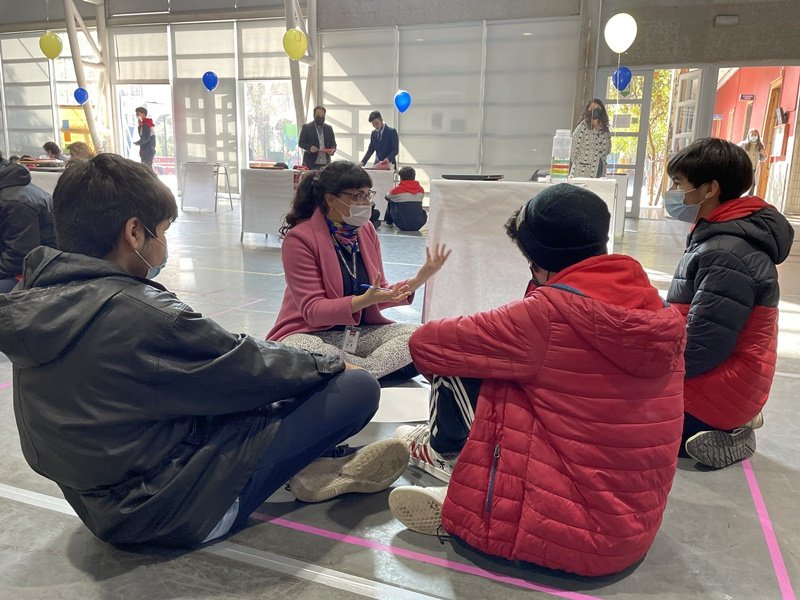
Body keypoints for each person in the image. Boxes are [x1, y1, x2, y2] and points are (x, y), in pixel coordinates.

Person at [0, 153, 411, 549]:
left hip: (101, 505)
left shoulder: (36, 298)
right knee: (354, 387)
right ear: (134, 233)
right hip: (177, 510)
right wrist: (332, 363)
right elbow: (250, 364)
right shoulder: (141, 313)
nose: (164, 243)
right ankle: (305, 467)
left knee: (269, 385)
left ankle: (311, 466)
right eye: (162, 231)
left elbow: (216, 366)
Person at [388, 183, 687, 577]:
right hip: (632, 529)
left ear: (537, 259)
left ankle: (448, 461)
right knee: (528, 375)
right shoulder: (653, 303)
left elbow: (428, 344)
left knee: (473, 363)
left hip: (564, 538)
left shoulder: (545, 314)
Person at [664, 137, 794, 469]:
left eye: (679, 183)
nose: (673, 192)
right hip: (731, 382)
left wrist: (654, 371)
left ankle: (728, 431)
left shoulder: (726, 252)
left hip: (721, 385)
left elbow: (704, 345)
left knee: (628, 420)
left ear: (709, 189)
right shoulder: (719, 234)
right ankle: (734, 419)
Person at [267, 161, 450, 380]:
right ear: (331, 199)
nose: (366, 202)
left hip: (356, 334)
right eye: (357, 196)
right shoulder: (299, 238)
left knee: (420, 334)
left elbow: (379, 292)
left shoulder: (366, 230)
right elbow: (313, 310)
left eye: (367, 194)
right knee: (305, 349)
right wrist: (363, 300)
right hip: (309, 332)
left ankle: (352, 372)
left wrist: (420, 278)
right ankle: (363, 371)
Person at [0, 158, 57, 293]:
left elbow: (19, 256)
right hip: (27, 262)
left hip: (40, 268)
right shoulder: (9, 184)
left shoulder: (14, 201)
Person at [569, 98, 611, 178]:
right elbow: (573, 150)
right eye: (592, 108)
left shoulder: (605, 130)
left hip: (599, 172)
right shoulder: (582, 127)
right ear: (587, 111)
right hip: (582, 173)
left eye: (597, 108)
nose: (595, 110)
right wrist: (582, 163)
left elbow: (608, 150)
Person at [384, 166, 427, 231]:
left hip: (402, 224)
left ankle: (389, 222)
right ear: (414, 177)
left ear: (401, 178)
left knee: (391, 202)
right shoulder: (421, 190)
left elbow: (386, 197)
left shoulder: (397, 190)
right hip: (418, 224)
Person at [298, 106, 337, 170]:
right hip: (310, 162)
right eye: (318, 116)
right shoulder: (306, 127)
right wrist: (310, 147)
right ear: (314, 115)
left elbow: (333, 144)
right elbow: (301, 143)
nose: (320, 118)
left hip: (325, 163)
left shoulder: (329, 128)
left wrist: (332, 150)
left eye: (322, 116)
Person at [738, 129, 766, 195]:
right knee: (742, 183)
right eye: (752, 134)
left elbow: (762, 159)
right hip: (745, 168)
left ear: (758, 136)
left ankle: (749, 198)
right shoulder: (743, 144)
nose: (753, 136)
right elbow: (736, 150)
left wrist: (764, 155)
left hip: (754, 169)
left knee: (752, 185)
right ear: (749, 135)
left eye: (755, 134)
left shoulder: (760, 146)